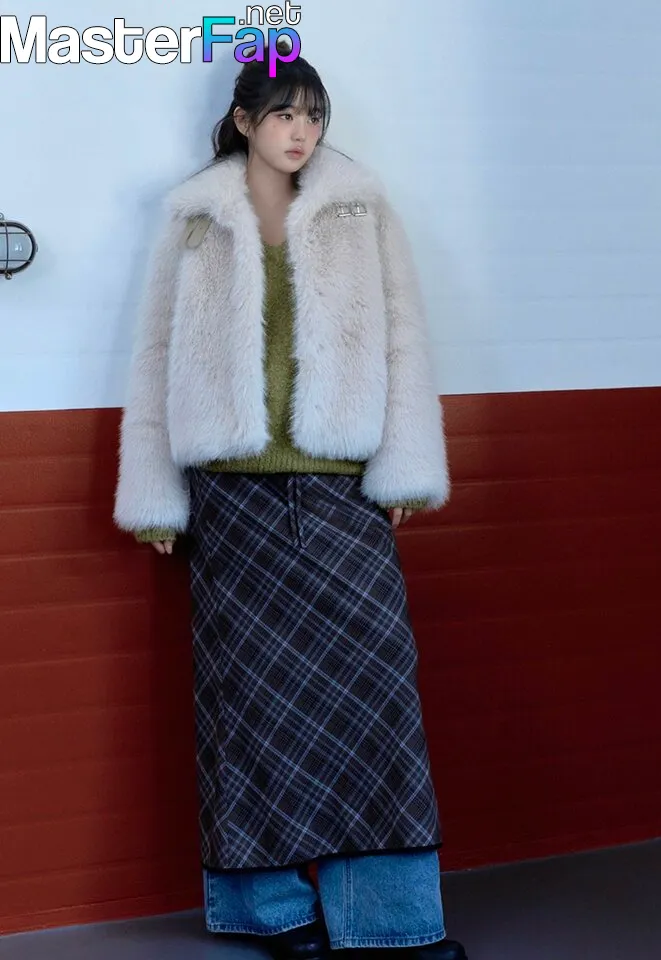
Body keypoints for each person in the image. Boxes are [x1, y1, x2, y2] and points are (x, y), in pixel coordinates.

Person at [113, 44, 467, 960]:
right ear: (244, 121)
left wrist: (405, 469)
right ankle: (269, 911)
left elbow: (403, 339)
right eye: (284, 114)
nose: (302, 130)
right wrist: (153, 495)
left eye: (313, 114)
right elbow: (155, 355)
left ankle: (388, 923)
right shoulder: (195, 216)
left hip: (338, 485)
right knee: (248, 706)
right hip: (229, 498)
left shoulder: (360, 207)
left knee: (377, 694)